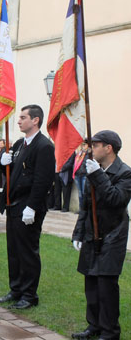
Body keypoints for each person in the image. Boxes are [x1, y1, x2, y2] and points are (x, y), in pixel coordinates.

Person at [71, 131, 131, 340]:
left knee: (106, 285)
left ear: (109, 148)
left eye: (96, 145)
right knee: (91, 283)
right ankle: (94, 325)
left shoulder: (125, 173)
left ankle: (110, 331)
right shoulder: (93, 170)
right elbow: (86, 205)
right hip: (91, 233)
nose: (91, 149)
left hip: (113, 234)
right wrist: (78, 233)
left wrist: (98, 175)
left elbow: (115, 199)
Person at [0, 104, 55, 309]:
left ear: (35, 120)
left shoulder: (44, 146)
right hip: (13, 204)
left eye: (23, 117)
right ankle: (16, 289)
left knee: (27, 251)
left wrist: (33, 207)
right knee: (14, 250)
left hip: (28, 206)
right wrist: (4, 163)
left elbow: (42, 180)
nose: (18, 121)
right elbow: (12, 172)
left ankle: (29, 295)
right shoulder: (20, 143)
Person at [73, 143, 89, 212]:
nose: (83, 146)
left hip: (84, 175)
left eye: (85, 144)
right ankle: (81, 208)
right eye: (82, 145)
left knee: (84, 193)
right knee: (80, 193)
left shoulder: (88, 154)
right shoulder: (79, 153)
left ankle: (85, 209)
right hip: (77, 175)